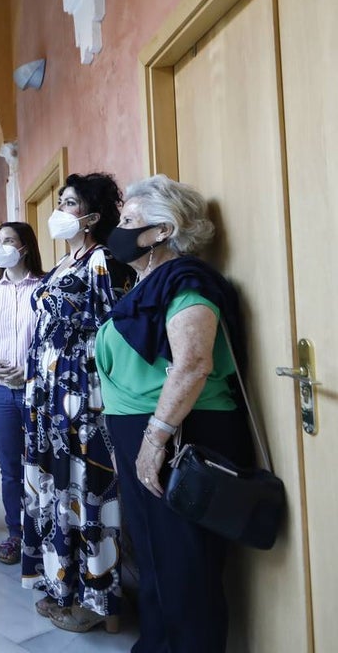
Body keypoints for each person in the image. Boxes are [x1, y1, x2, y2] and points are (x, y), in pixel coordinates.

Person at [98, 175, 254, 652]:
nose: (118, 230)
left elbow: (192, 364)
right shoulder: (149, 281)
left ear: (163, 230)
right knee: (157, 561)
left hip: (180, 437)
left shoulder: (187, 281)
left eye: (129, 222)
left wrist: (153, 441)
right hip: (150, 434)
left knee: (186, 570)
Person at [22, 172, 131, 633]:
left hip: (81, 394)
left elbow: (112, 330)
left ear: (92, 215)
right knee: (57, 488)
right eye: (61, 201)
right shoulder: (65, 263)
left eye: (69, 203)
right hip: (49, 396)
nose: (60, 211)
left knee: (87, 489)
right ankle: (62, 583)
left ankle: (99, 600)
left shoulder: (102, 260)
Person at [0, 222, 43, 565]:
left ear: (24, 247)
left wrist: (34, 369)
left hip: (37, 390)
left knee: (41, 463)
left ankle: (44, 529)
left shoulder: (45, 288)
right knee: (9, 467)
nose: (2, 246)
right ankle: (16, 533)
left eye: (8, 241)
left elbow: (51, 337)